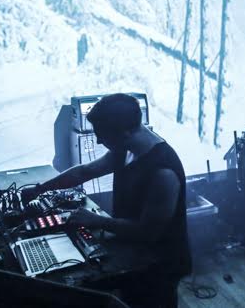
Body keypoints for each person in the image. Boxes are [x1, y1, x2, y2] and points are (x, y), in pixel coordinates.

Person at [22, 93, 191, 307]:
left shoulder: (162, 171)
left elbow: (149, 232)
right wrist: (40, 189)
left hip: (160, 264)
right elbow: (85, 171)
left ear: (125, 132)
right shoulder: (126, 148)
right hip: (134, 250)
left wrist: (97, 220)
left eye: (102, 134)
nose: (99, 141)